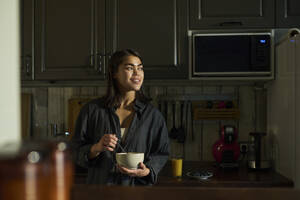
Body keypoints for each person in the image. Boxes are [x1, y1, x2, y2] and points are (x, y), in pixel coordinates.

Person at [71, 49, 169, 185]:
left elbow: (161, 153)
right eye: (130, 68)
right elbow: (75, 151)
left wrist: (147, 171)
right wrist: (96, 148)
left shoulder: (152, 116)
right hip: (100, 190)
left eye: (140, 68)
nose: (137, 73)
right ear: (114, 73)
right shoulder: (92, 110)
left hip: (136, 191)